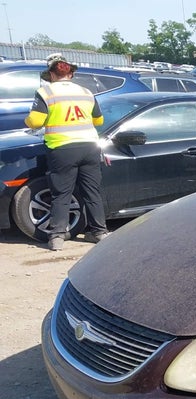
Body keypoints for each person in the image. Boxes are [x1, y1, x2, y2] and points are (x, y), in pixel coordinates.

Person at [25, 53, 108, 251]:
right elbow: (99, 121)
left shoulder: (46, 92)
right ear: (71, 74)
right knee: (92, 191)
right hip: (89, 147)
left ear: (51, 75)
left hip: (62, 149)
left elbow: (35, 121)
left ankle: (57, 237)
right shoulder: (86, 92)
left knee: (61, 194)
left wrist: (28, 121)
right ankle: (99, 232)